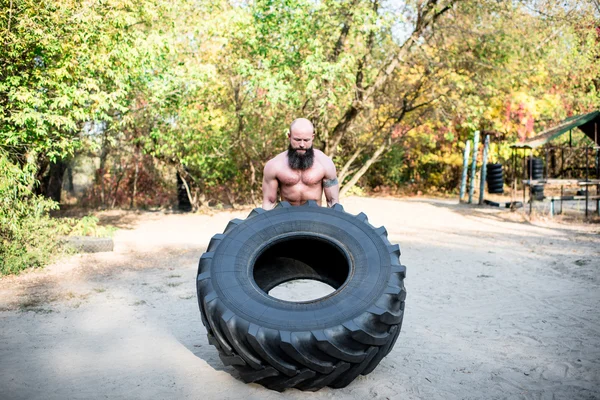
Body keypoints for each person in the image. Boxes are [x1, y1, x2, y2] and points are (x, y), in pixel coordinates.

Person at [262, 118, 340, 209]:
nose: (302, 145)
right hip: (287, 217)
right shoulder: (274, 165)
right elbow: (269, 202)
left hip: (314, 217)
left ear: (313, 137)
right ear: (289, 136)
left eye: (306, 140)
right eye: (297, 140)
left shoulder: (325, 163)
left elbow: (332, 202)